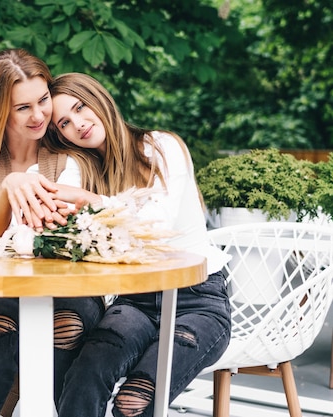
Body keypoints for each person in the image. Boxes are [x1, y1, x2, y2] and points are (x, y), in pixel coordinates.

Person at [39, 72, 232, 417]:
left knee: (135, 402)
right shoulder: (86, 168)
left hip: (197, 300)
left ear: (99, 99)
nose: (78, 124)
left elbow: (156, 225)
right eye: (64, 123)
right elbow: (60, 210)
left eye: (81, 108)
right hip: (136, 301)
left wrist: (88, 201)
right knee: (84, 374)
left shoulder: (160, 146)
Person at [0, 51, 104, 417]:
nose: (39, 115)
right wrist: (10, 186)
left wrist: (20, 202)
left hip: (68, 291)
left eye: (43, 100)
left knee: (68, 325)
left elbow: (55, 235)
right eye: (22, 107)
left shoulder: (69, 162)